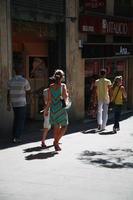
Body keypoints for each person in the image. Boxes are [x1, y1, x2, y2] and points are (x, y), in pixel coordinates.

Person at [45, 69, 69, 151]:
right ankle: (56, 142)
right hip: (61, 109)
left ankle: (56, 144)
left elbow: (49, 100)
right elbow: (65, 96)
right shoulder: (63, 86)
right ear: (61, 77)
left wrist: (47, 110)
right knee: (64, 126)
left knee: (56, 128)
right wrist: (67, 94)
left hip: (53, 110)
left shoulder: (51, 86)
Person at [7, 66, 31, 143]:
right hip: (21, 103)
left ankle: (14, 135)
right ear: (21, 71)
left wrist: (8, 104)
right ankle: (17, 137)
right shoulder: (24, 81)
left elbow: (8, 93)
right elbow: (28, 91)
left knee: (16, 119)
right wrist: (30, 100)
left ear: (15, 71)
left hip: (14, 103)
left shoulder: (10, 81)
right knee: (20, 120)